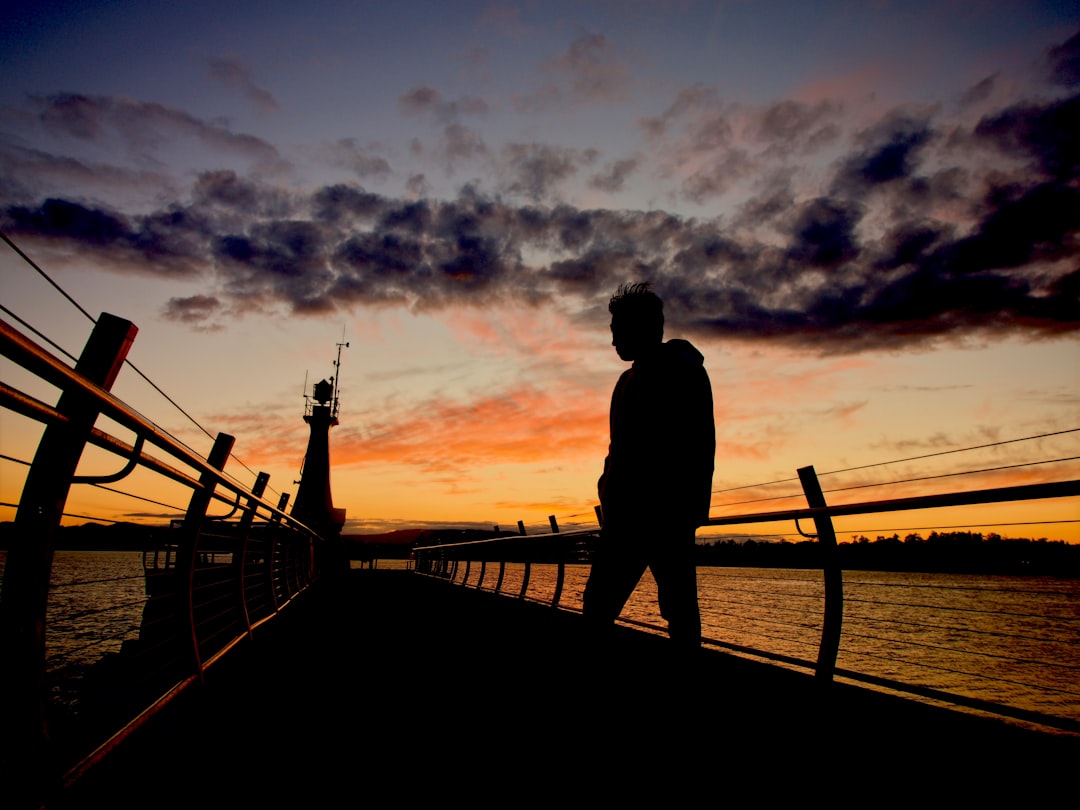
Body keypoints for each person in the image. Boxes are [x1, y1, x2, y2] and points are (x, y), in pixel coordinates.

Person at [583, 282, 715, 649]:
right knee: (669, 607)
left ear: (644, 327)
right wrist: (607, 490)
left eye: (618, 330)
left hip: (662, 515)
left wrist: (685, 509)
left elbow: (696, 445)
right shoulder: (626, 381)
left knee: (672, 608)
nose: (613, 342)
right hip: (628, 514)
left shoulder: (682, 373)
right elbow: (619, 448)